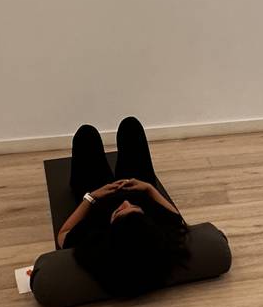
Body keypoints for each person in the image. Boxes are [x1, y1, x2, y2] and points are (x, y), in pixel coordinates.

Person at [56, 116, 189, 297]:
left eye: (119, 211)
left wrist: (92, 197)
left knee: (87, 134)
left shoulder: (95, 238)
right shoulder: (158, 236)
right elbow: (178, 220)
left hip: (99, 194)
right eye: (134, 208)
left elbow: (63, 234)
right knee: (130, 125)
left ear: (111, 229)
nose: (125, 203)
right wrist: (149, 189)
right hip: (137, 187)